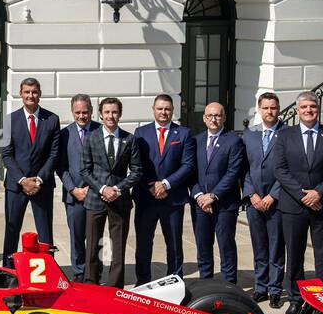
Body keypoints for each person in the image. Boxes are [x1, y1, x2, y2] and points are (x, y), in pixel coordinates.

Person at [274, 91, 323, 314]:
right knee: (294, 255)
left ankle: (321, 301)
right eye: (304, 107)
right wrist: (301, 194)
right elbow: (280, 169)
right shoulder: (285, 136)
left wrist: (319, 192)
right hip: (293, 206)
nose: (308, 111)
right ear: (297, 110)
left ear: (318, 109)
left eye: (312, 107)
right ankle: (295, 299)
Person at [132, 94, 195, 285]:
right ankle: (142, 281)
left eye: (167, 108)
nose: (163, 112)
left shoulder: (183, 134)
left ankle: (175, 281)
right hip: (146, 197)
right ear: (153, 109)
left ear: (172, 110)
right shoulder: (140, 133)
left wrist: (166, 184)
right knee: (143, 243)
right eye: (160, 108)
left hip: (172, 198)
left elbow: (188, 165)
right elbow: (137, 164)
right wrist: (151, 185)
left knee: (174, 244)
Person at [81, 97, 142, 286]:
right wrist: (102, 188)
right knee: (92, 246)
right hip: (95, 200)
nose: (110, 116)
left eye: (114, 112)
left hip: (119, 200)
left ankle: (115, 287)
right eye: (107, 112)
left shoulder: (129, 139)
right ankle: (91, 284)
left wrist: (117, 188)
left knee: (117, 248)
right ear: (100, 114)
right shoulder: (91, 137)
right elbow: (85, 170)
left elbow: (137, 170)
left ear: (120, 114)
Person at [0, 77, 61, 265]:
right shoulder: (10, 120)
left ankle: (48, 271)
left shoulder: (52, 119)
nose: (30, 95)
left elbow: (54, 154)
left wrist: (39, 180)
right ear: (20, 94)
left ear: (40, 94)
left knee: (45, 233)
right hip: (16, 185)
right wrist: (23, 180)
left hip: (42, 185)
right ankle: (8, 271)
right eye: (27, 92)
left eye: (34, 92)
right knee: (12, 231)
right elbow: (6, 154)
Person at [190, 102, 245, 283]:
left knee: (226, 245)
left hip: (225, 204)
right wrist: (199, 196)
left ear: (224, 117)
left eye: (218, 115)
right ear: (204, 118)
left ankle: (229, 285)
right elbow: (190, 172)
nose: (214, 119)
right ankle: (205, 283)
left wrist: (212, 196)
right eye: (210, 116)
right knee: (203, 246)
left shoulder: (234, 141)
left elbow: (233, 173)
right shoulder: (195, 141)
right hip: (200, 204)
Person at [243, 92, 286, 308]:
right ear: (259, 110)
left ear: (278, 109)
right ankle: (260, 287)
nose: (270, 112)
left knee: (276, 246)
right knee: (259, 245)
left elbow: (289, 170)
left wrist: (272, 195)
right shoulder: (249, 135)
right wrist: (252, 194)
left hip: (277, 201)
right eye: (266, 108)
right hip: (254, 201)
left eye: (273, 108)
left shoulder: (287, 134)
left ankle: (275, 289)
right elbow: (245, 169)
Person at [56, 94, 99, 280]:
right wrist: (73, 189)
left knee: (96, 238)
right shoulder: (64, 134)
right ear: (72, 112)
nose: (82, 116)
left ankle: (94, 273)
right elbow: (61, 166)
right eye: (78, 112)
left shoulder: (100, 130)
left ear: (91, 111)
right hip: (73, 195)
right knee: (77, 237)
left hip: (96, 194)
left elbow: (104, 164)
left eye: (86, 112)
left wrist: (92, 188)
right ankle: (80, 274)